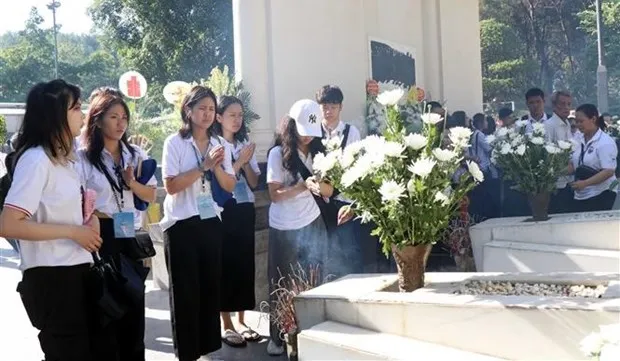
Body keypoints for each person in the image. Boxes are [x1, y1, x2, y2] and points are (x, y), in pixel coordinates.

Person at [0, 79, 103, 361]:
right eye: (77, 108)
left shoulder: (66, 161)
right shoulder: (36, 160)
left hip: (77, 271)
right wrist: (72, 232)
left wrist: (89, 221)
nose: (83, 115)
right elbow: (8, 224)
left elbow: (71, 209)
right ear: (56, 113)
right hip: (53, 278)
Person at [78, 87, 157, 360]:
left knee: (135, 305)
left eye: (124, 117)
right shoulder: (83, 157)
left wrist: (131, 182)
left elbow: (151, 195)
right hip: (102, 234)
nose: (121, 123)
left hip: (131, 233)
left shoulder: (135, 154)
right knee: (107, 307)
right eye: (114, 117)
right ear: (97, 120)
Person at [160, 85, 236, 361]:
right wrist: (202, 166)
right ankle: (187, 354)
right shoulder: (174, 142)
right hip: (181, 224)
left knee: (208, 288)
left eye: (211, 109)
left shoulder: (221, 146)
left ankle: (206, 349)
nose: (206, 114)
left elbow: (229, 186)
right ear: (188, 111)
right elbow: (170, 186)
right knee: (185, 292)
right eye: (201, 108)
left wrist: (215, 166)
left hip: (210, 221)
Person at [266, 99, 329, 356]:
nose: (307, 139)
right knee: (281, 281)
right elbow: (275, 194)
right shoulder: (277, 154)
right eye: (303, 132)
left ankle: (309, 330)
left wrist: (322, 187)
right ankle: (278, 336)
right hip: (283, 225)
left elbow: (328, 187)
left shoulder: (319, 151)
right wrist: (303, 187)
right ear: (291, 126)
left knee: (314, 277)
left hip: (312, 220)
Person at [212, 95, 261, 347]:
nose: (237, 120)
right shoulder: (214, 144)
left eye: (240, 115)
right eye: (231, 115)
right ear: (219, 117)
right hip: (224, 208)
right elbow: (222, 179)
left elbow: (253, 182)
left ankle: (242, 319)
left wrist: (248, 160)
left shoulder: (244, 142)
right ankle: (226, 322)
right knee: (226, 263)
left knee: (244, 263)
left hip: (244, 207)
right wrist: (239, 161)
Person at [315, 85, 365, 276]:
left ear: (340, 107)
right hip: (319, 204)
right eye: (325, 106)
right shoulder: (312, 134)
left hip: (344, 201)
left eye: (333, 106)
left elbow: (358, 171)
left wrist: (354, 205)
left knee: (349, 253)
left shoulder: (351, 133)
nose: (328, 111)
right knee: (322, 254)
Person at [569, 104, 618, 212]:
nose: (578, 125)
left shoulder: (605, 142)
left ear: (593, 119)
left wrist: (585, 183)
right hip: (581, 194)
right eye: (576, 122)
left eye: (581, 121)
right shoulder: (577, 139)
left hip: (601, 194)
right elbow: (573, 165)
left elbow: (608, 171)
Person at [545, 91, 574, 214]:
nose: (566, 107)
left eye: (569, 104)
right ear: (554, 105)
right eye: (562, 104)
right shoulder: (549, 125)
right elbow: (547, 154)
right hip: (556, 184)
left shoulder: (567, 124)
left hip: (570, 181)